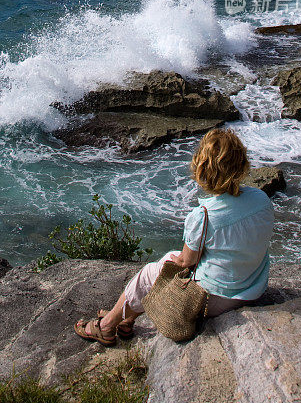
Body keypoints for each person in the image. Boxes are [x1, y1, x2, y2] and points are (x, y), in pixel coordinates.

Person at [75, 128, 275, 345]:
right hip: (252, 288)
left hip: (217, 300)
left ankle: (106, 326)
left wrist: (170, 264)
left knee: (151, 272)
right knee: (168, 260)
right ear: (241, 164)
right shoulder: (261, 199)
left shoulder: (205, 216)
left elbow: (186, 261)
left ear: (203, 169)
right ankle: (127, 317)